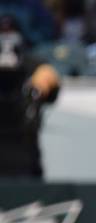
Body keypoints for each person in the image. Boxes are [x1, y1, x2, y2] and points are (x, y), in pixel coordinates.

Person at [0, 15, 60, 179]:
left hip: (25, 155)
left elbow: (52, 83)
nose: (6, 39)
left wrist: (41, 84)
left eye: (10, 32)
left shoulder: (33, 64)